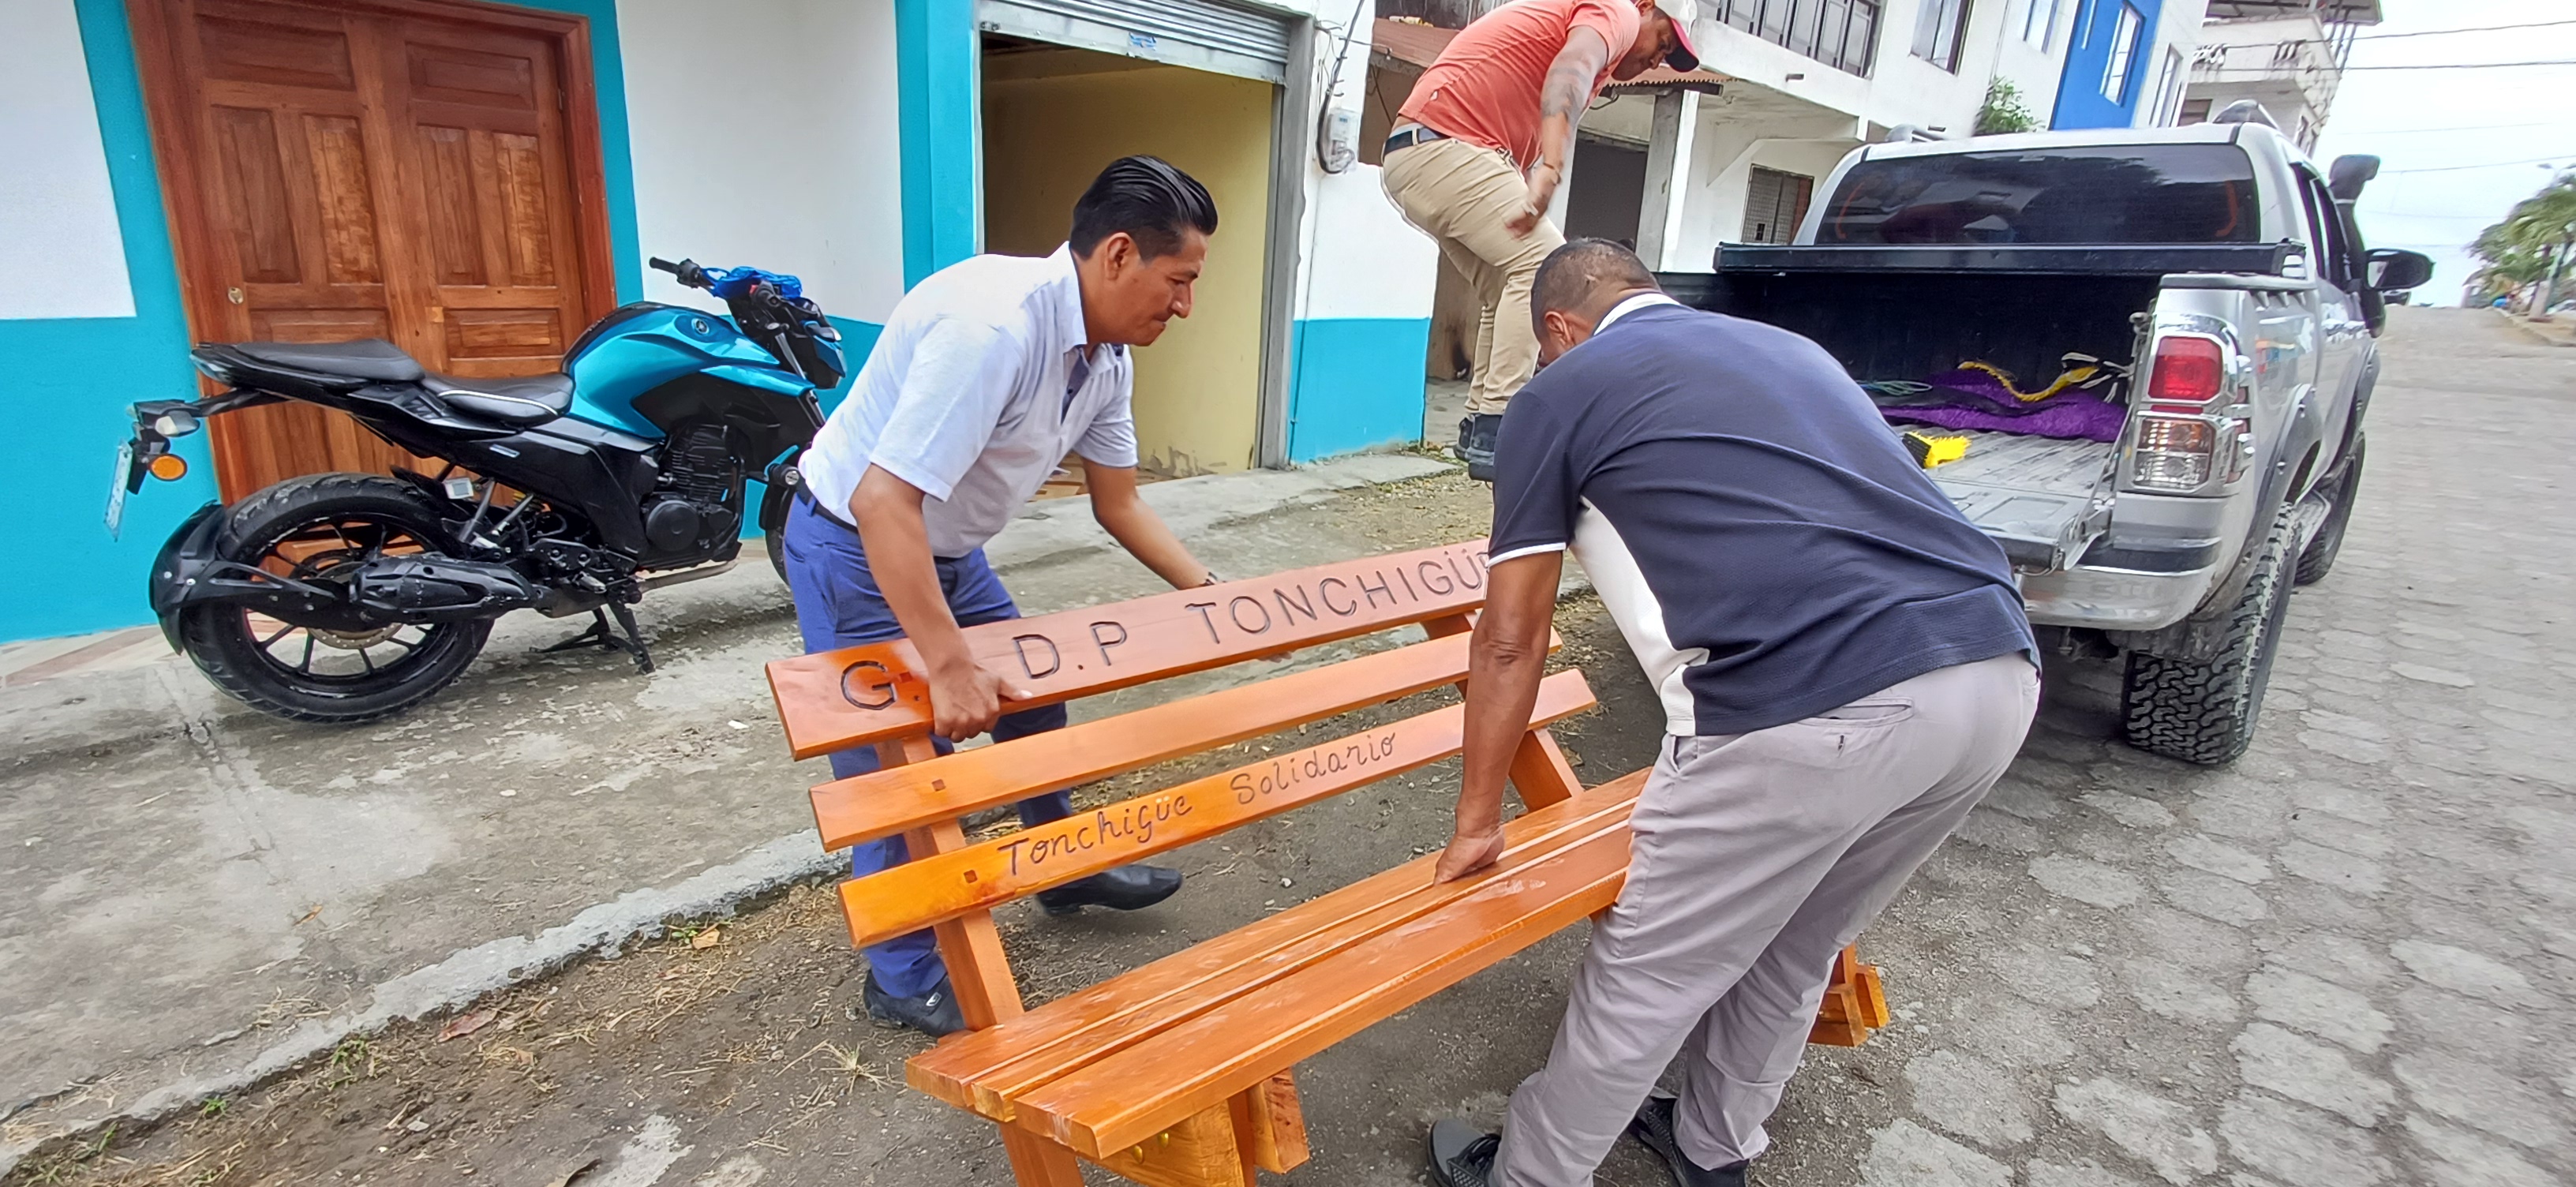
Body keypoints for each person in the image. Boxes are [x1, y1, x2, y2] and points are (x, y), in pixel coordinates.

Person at [1423, 241, 2042, 1187]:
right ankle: (1713, 1145)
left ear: (1559, 328)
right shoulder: (1788, 349)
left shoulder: (1560, 390)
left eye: (1546, 349)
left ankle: (1530, 1175)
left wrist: (1477, 823)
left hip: (1807, 706)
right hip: (1994, 669)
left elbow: (1510, 638)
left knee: (1650, 974)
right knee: (1800, 941)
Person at [782, 156, 1226, 1038]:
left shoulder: (1104, 356)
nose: (1185, 306)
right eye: (1178, 281)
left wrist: (1211, 595)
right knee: (900, 772)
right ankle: (902, 975)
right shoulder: (991, 328)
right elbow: (882, 502)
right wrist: (948, 665)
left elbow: (1119, 502)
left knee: (1034, 702)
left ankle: (1059, 866)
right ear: (1119, 254)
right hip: (857, 548)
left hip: (947, 551)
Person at [1381, 0, 1701, 481]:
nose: (1659, 59)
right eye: (1664, 41)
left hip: (1422, 150)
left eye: (1668, 56)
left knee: (1506, 285)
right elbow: (1570, 69)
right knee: (1545, 264)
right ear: (1646, 8)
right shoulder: (1615, 12)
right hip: (1444, 143)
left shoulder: (1603, 40)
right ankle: (1501, 425)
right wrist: (1550, 167)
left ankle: (1479, 425)